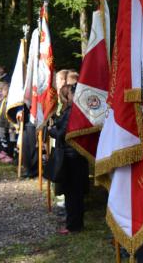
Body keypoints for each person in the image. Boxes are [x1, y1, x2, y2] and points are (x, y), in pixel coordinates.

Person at [49, 84, 89, 234]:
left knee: (72, 192)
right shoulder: (77, 109)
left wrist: (51, 130)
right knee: (74, 192)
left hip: (71, 156)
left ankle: (73, 225)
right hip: (75, 155)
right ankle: (73, 221)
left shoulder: (74, 111)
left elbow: (63, 133)